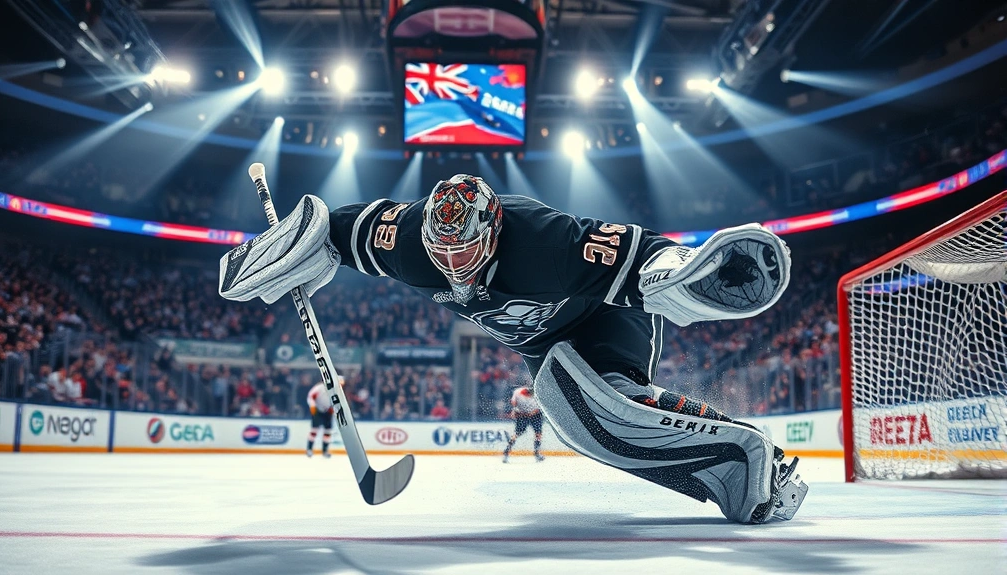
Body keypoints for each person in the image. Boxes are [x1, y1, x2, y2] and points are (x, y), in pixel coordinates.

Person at [219, 174, 807, 523]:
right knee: (592, 424)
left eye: (465, 253)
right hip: (546, 349)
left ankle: (750, 459)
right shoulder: (407, 241)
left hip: (602, 320)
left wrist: (689, 271)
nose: (453, 270)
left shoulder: (544, 243)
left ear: (495, 230)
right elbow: (334, 230)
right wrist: (284, 248)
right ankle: (735, 461)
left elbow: (640, 251)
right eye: (441, 255)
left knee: (589, 408)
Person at [502, 385, 544, 463]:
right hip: (523, 414)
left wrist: (516, 411)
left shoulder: (519, 392)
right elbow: (513, 403)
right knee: (519, 433)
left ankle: (537, 453)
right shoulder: (520, 392)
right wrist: (515, 411)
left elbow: (513, 403)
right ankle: (507, 451)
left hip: (530, 414)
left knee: (538, 434)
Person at [306, 375, 342, 458]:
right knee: (314, 430)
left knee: (328, 431)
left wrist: (334, 408)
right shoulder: (319, 387)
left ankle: (325, 451)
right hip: (317, 410)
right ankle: (309, 449)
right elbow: (310, 396)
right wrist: (312, 406)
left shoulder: (335, 389)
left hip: (328, 411)